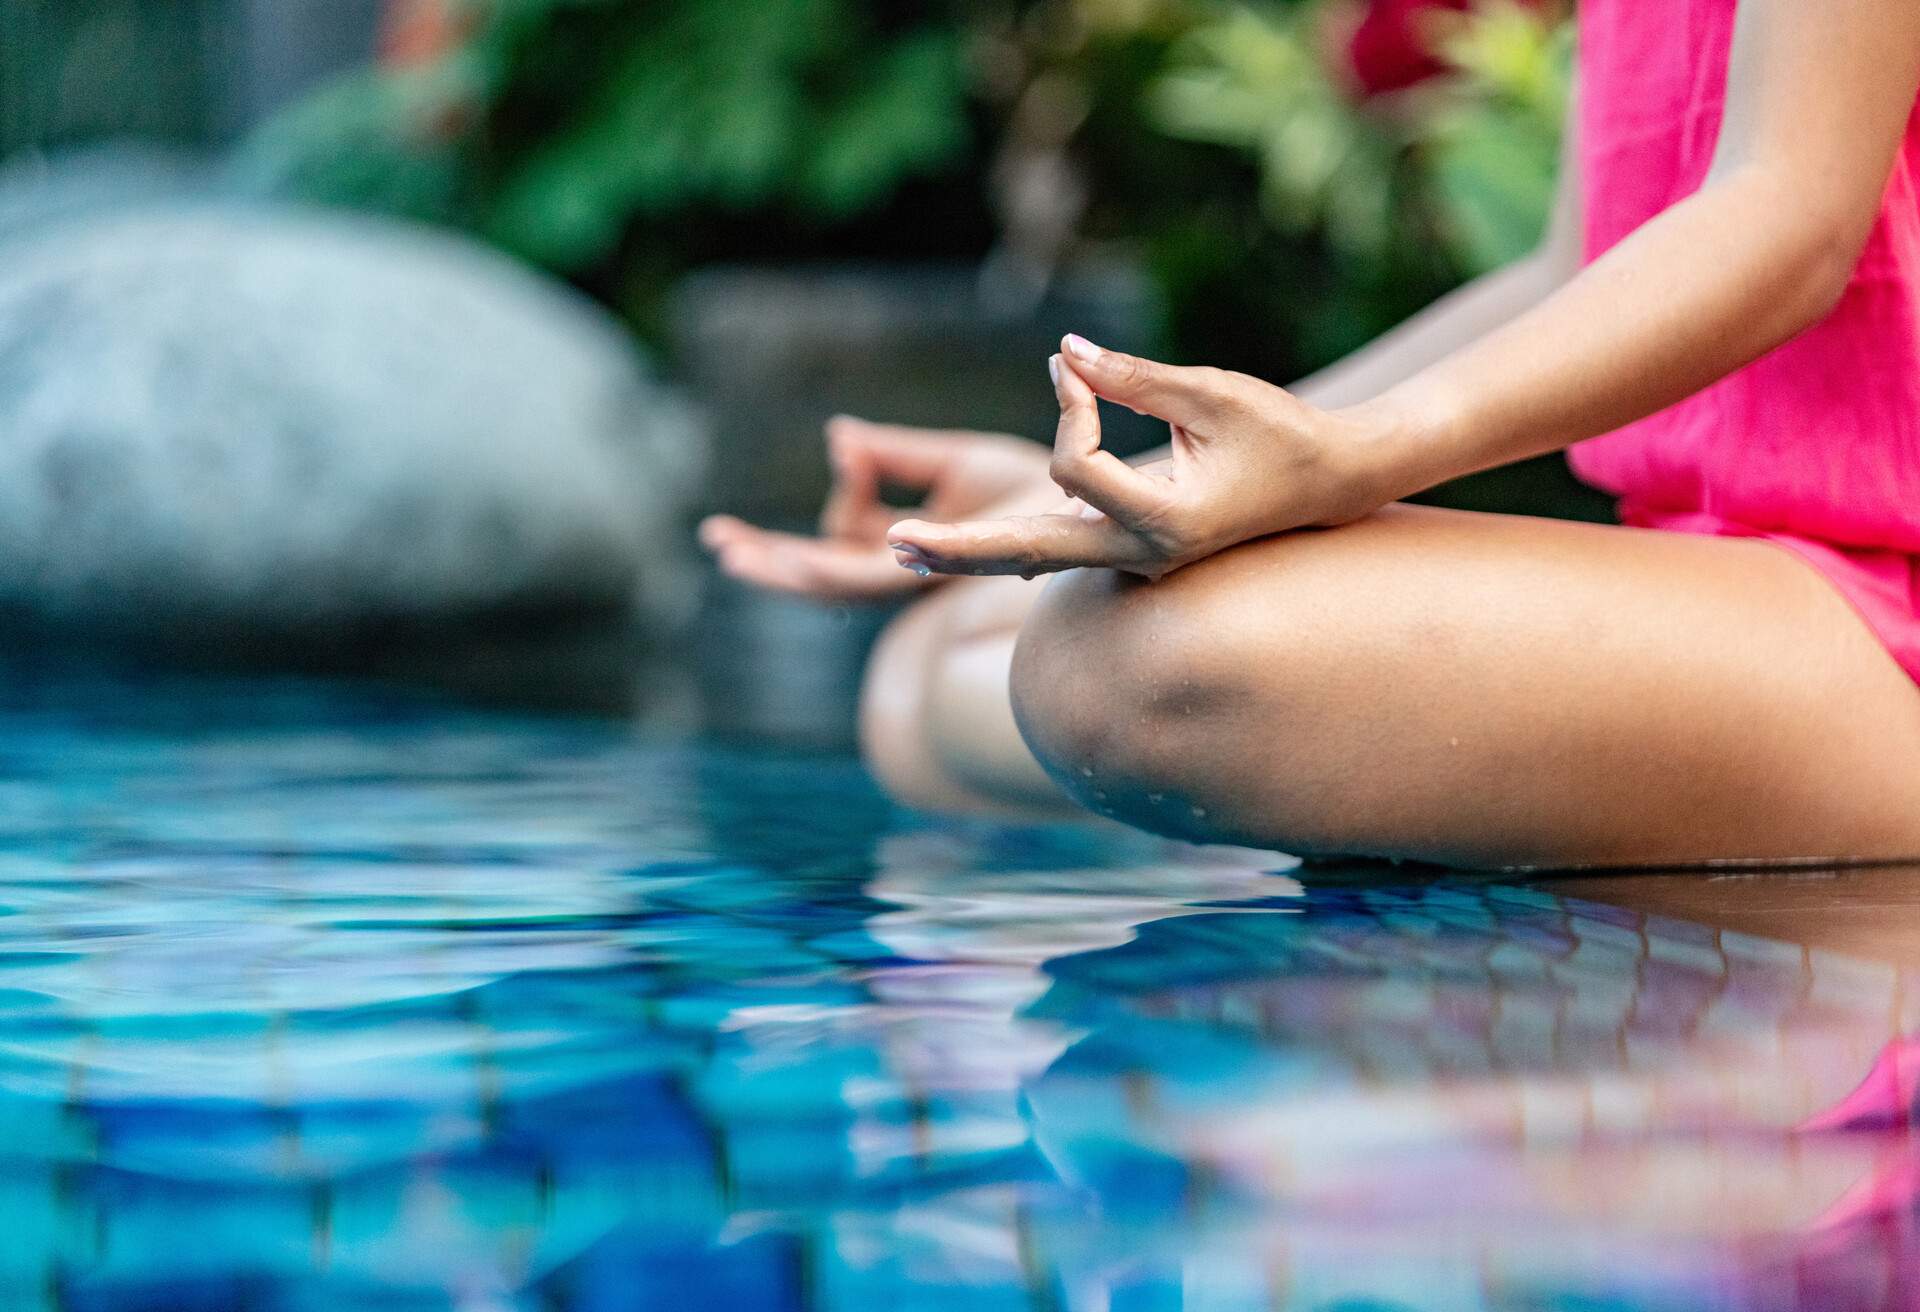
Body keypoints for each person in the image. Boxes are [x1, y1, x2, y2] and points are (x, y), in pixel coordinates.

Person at [701, 0, 1920, 869]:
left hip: (1887, 614)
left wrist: (1366, 452)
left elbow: (1793, 215)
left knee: (1114, 666)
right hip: (1752, 585)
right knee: (929, 670)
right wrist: (1119, 488)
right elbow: (1582, 269)